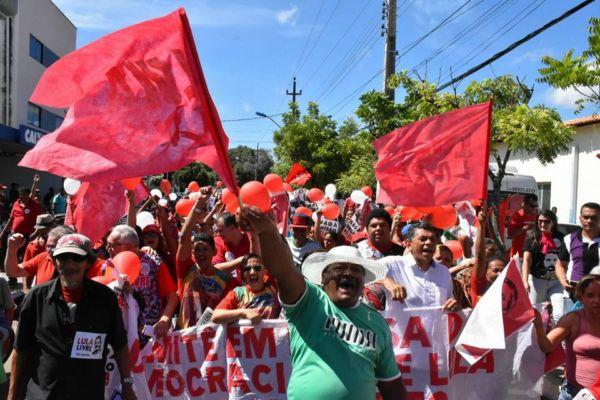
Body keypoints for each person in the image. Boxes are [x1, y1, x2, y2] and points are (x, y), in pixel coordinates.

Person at [238, 206, 406, 400]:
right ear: (324, 277)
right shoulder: (309, 301)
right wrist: (267, 230)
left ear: (363, 280)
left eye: (356, 270)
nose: (348, 274)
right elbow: (283, 270)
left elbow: (391, 385)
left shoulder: (377, 323)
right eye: (339, 268)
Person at [8, 233, 136, 400]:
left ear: (88, 262)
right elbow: (21, 350)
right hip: (44, 395)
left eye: (76, 258)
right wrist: (12, 394)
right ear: (54, 261)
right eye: (63, 258)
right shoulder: (36, 297)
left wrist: (127, 385)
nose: (69, 264)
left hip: (88, 393)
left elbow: (120, 345)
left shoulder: (105, 299)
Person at [533, 274, 600, 400]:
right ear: (581, 297)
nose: (596, 300)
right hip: (574, 393)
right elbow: (546, 346)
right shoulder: (572, 319)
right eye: (590, 295)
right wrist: (538, 324)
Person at [106, 225, 178, 341]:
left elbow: (172, 296)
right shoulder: (109, 264)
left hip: (149, 335)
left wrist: (165, 319)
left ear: (129, 247)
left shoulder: (153, 262)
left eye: (111, 245)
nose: (107, 248)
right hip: (119, 336)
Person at [176, 195, 237, 329]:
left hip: (213, 339)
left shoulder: (226, 280)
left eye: (205, 249)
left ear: (214, 252)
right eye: (197, 250)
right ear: (192, 253)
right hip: (185, 337)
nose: (201, 253)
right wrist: (198, 205)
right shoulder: (186, 269)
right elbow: (184, 238)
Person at [378, 222, 458, 310]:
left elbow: (449, 301)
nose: (429, 242)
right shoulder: (394, 264)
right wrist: (387, 281)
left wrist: (453, 305)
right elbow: (365, 268)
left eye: (432, 239)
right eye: (423, 239)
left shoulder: (444, 272)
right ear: (409, 244)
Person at [5, 226, 103, 287]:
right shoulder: (43, 257)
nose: (48, 250)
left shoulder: (89, 262)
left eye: (52, 247)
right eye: (47, 246)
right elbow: (13, 272)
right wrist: (12, 249)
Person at [212, 253, 281, 324]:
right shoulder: (237, 293)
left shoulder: (274, 287)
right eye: (247, 269)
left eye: (257, 268)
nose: (252, 272)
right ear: (243, 274)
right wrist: (243, 313)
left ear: (265, 270)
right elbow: (215, 316)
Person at [522, 209, 565, 323]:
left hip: (557, 281)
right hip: (537, 280)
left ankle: (556, 339)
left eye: (546, 221)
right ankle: (536, 338)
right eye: (540, 221)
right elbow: (526, 260)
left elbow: (567, 259)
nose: (542, 224)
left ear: (553, 222)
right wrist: (525, 281)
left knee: (559, 314)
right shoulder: (532, 238)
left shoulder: (562, 238)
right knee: (535, 314)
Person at [556, 202, 600, 311]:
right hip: (573, 296)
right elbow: (560, 264)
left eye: (593, 218)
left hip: (598, 297)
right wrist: (563, 282)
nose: (589, 221)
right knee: (572, 327)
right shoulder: (569, 239)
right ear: (580, 218)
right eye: (586, 217)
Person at [508, 193, 538, 258]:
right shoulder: (517, 216)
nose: (534, 208)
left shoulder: (536, 216)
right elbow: (510, 234)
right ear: (525, 204)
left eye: (536, 206)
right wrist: (524, 228)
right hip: (518, 255)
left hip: (531, 254)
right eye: (532, 206)